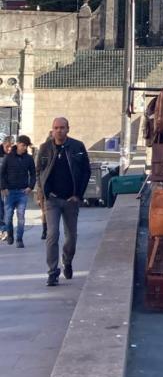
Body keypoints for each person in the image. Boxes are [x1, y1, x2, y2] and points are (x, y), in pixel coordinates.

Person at [36, 117, 91, 286]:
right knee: (52, 235)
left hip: (71, 200)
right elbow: (39, 171)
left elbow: (86, 172)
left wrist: (78, 195)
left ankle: (67, 261)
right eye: (55, 128)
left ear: (68, 129)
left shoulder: (77, 146)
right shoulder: (45, 148)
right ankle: (52, 272)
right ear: (52, 130)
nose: (58, 130)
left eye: (62, 127)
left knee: (71, 237)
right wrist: (42, 194)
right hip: (52, 200)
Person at [0, 135, 36, 248]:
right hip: (9, 192)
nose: (25, 148)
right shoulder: (8, 157)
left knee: (21, 217)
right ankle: (10, 234)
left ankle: (19, 239)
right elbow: (2, 173)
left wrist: (30, 187)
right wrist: (3, 187)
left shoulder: (29, 159)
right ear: (18, 144)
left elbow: (33, 174)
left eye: (26, 146)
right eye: (23, 145)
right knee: (8, 217)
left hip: (22, 192)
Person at [0, 137, 13, 241]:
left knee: (7, 209)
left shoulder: (13, 155)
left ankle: (6, 230)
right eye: (7, 147)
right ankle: (3, 229)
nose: (9, 149)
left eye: (11, 147)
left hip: (9, 187)